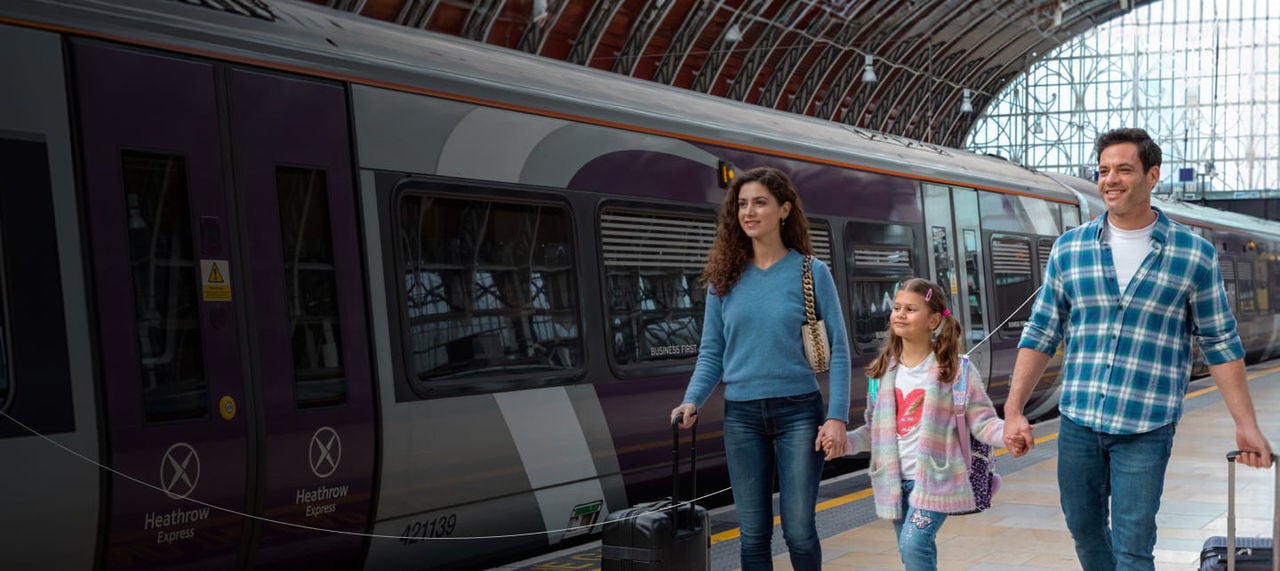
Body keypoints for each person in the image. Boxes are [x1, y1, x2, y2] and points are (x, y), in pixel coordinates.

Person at [1002, 127, 1274, 571]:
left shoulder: (1193, 254)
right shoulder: (1069, 250)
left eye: (1124, 169)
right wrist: (1014, 410)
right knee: (1084, 531)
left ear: (1152, 177)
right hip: (1078, 421)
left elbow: (1221, 343)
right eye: (1104, 170)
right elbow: (1041, 332)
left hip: (1146, 425)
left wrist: (1246, 425)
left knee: (1133, 546)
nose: (1110, 179)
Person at [670, 166, 850, 571]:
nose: (748, 212)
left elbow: (838, 350)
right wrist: (692, 399)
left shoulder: (811, 272)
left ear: (784, 210)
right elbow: (712, 350)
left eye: (760, 203)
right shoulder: (723, 280)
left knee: (799, 530)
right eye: (742, 204)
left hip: (799, 411)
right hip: (742, 415)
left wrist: (836, 416)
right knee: (753, 535)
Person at [831, 278, 1011, 571]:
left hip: (937, 481)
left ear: (934, 321)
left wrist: (1008, 435)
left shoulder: (956, 371)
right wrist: (845, 443)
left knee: (913, 544)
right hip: (894, 482)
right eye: (897, 307)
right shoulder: (882, 372)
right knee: (914, 551)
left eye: (911, 309)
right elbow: (872, 431)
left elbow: (982, 421)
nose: (899, 314)